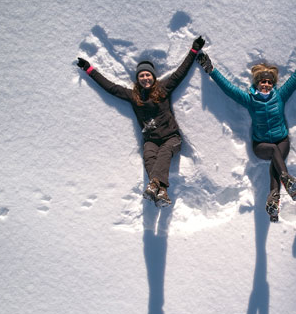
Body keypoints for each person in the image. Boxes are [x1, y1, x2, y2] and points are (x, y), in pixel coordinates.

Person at [196, 33, 296, 222]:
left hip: (282, 141)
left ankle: (274, 201)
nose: (266, 84)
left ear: (272, 84)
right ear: (257, 83)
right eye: (262, 81)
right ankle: (286, 179)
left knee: (276, 159)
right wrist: (211, 70)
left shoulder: (280, 96)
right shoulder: (250, 100)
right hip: (261, 145)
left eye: (269, 82)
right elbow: (228, 89)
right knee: (273, 153)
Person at [76, 36, 205, 207]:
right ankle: (162, 192)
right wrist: (89, 69)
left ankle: (155, 185)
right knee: (148, 156)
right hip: (151, 140)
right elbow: (111, 87)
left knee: (165, 153)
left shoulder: (163, 89)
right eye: (142, 76)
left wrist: (194, 50)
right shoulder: (133, 97)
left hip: (171, 138)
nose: (145, 78)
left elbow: (180, 73)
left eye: (148, 75)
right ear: (138, 79)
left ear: (153, 76)